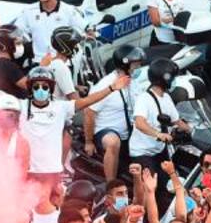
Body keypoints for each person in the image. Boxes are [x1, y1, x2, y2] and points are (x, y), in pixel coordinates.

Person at [18, 66, 129, 186]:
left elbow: (88, 101)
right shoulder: (20, 106)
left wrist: (111, 88)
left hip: (53, 171)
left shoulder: (61, 107)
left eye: (45, 87)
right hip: (29, 171)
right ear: (30, 88)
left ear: (50, 88)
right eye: (36, 87)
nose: (41, 90)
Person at [85, 45, 145, 183]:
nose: (139, 67)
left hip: (129, 131)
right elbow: (89, 112)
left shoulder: (134, 83)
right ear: (125, 65)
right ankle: (110, 185)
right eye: (136, 64)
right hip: (106, 131)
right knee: (113, 142)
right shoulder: (105, 85)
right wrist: (88, 142)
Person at [131, 58, 188, 173]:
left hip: (161, 149)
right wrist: (158, 134)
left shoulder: (166, 98)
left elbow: (176, 121)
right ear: (165, 79)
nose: (174, 80)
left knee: (179, 174)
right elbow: (139, 123)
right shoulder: (144, 99)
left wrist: (191, 129)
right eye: (173, 78)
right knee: (155, 184)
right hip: (143, 152)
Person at [14, 0, 87, 63]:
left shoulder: (69, 10)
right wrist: (18, 39)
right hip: (38, 63)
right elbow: (18, 31)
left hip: (62, 63)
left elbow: (83, 29)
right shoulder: (29, 11)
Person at [0, 25, 29, 99]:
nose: (21, 47)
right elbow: (30, 85)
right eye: (17, 43)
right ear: (7, 44)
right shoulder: (7, 65)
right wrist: (42, 67)